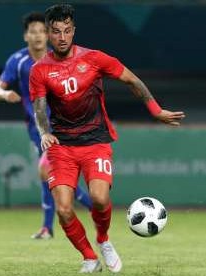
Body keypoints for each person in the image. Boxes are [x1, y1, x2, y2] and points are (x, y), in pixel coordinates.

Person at [30, 4, 185, 273]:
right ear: (49, 34)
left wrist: (156, 110)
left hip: (95, 141)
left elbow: (132, 80)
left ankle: (103, 240)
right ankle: (89, 257)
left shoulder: (94, 58)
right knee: (64, 209)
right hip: (62, 146)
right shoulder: (40, 70)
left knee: (100, 199)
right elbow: (40, 108)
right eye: (56, 32)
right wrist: (45, 132)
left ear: (73, 30)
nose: (62, 37)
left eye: (67, 31)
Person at [0, 12, 92, 240]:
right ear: (26, 36)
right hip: (36, 127)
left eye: (41, 31)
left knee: (49, 173)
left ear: (47, 35)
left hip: (64, 124)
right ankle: (54, 225)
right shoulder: (17, 62)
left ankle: (65, 221)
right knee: (49, 175)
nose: (37, 36)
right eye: (32, 31)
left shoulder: (60, 57)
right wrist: (6, 95)